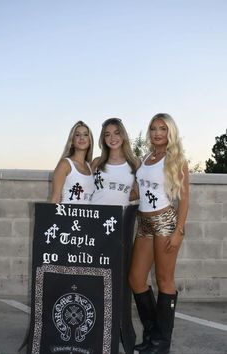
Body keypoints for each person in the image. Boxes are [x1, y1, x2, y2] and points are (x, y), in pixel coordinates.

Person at [128, 113, 189, 354]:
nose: (157, 133)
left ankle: (161, 343)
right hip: (144, 223)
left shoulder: (176, 160)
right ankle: (153, 333)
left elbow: (184, 201)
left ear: (170, 132)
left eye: (162, 128)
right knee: (135, 279)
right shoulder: (146, 158)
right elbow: (137, 192)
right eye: (153, 128)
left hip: (165, 222)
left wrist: (178, 231)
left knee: (165, 280)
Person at [90, 117, 140, 206]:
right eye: (107, 134)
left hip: (119, 217)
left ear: (123, 135)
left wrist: (117, 199)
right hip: (95, 215)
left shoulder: (134, 162)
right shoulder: (97, 162)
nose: (112, 138)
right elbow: (85, 189)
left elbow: (138, 193)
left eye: (117, 133)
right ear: (103, 139)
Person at [50, 120, 95, 204]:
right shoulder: (65, 164)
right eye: (77, 135)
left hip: (87, 216)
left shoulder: (90, 167)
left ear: (90, 141)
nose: (82, 137)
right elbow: (55, 199)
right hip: (67, 215)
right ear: (72, 141)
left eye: (85, 134)